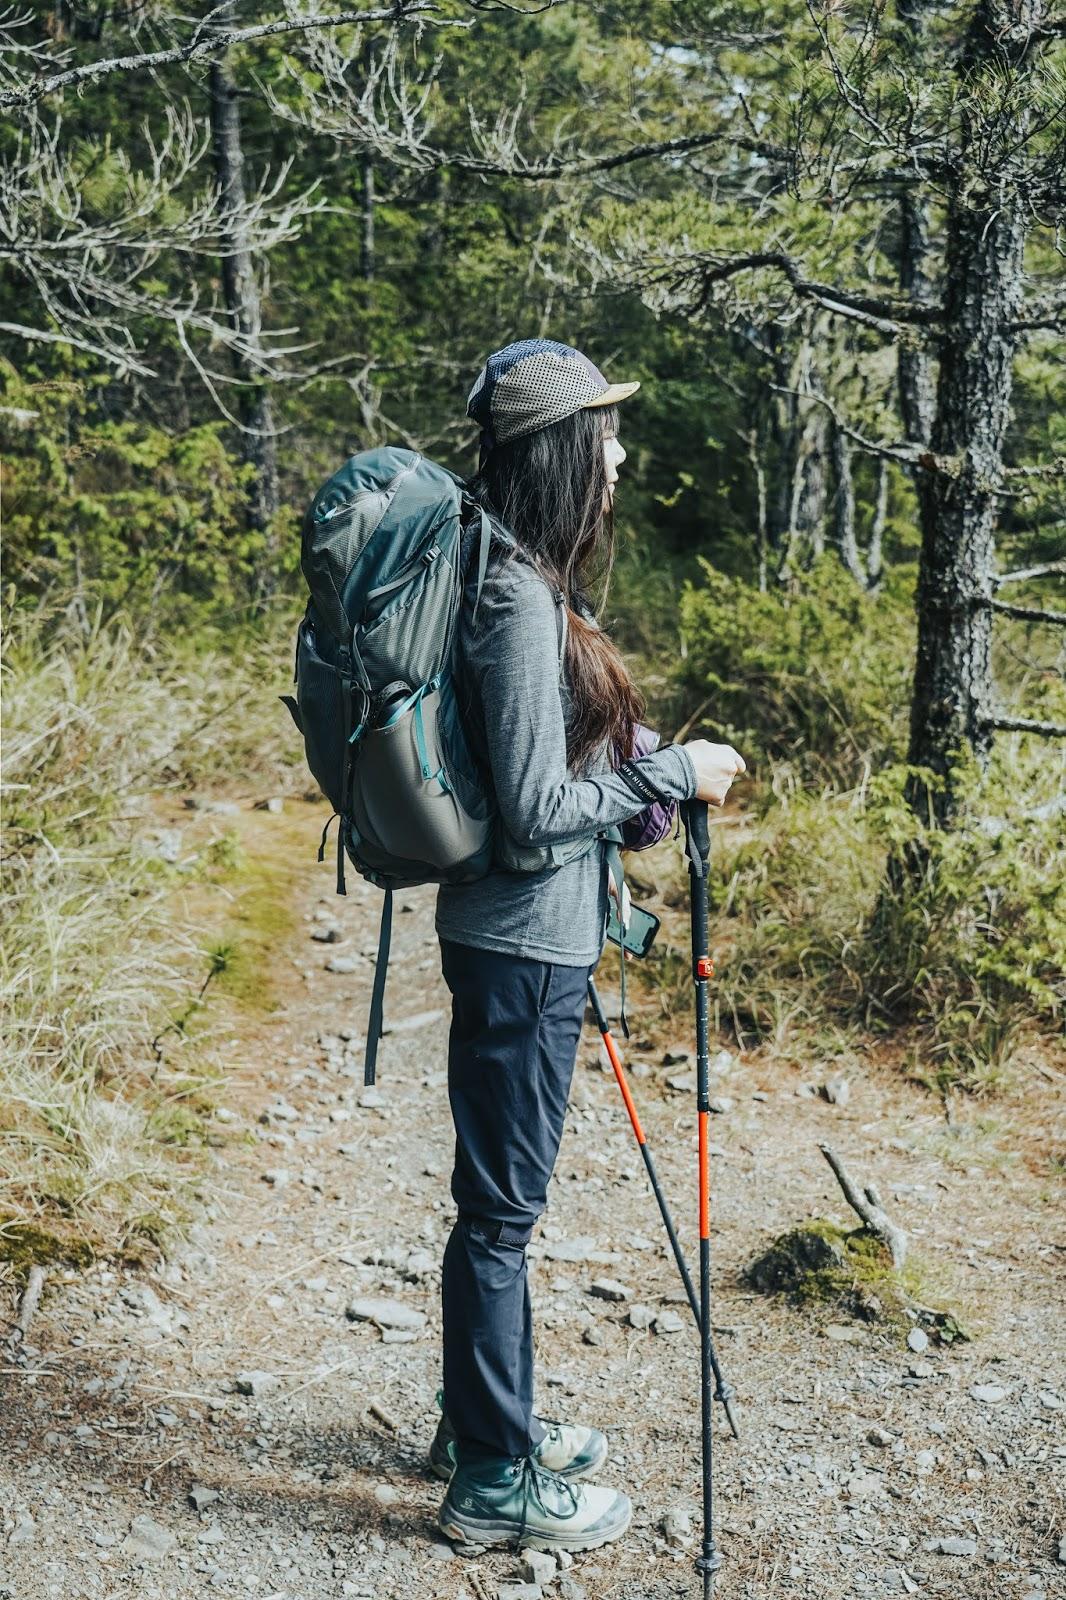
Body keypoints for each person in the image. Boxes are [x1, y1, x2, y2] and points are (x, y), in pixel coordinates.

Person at [429, 340, 746, 1553]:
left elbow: (556, 759)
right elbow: (532, 813)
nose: (620, 452)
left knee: (493, 1205)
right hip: (521, 947)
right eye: (603, 434)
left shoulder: (524, 581)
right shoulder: (511, 594)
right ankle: (492, 1481)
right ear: (560, 452)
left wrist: (636, 753)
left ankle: (481, 1426)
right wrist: (671, 771)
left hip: (532, 943)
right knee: (502, 1213)